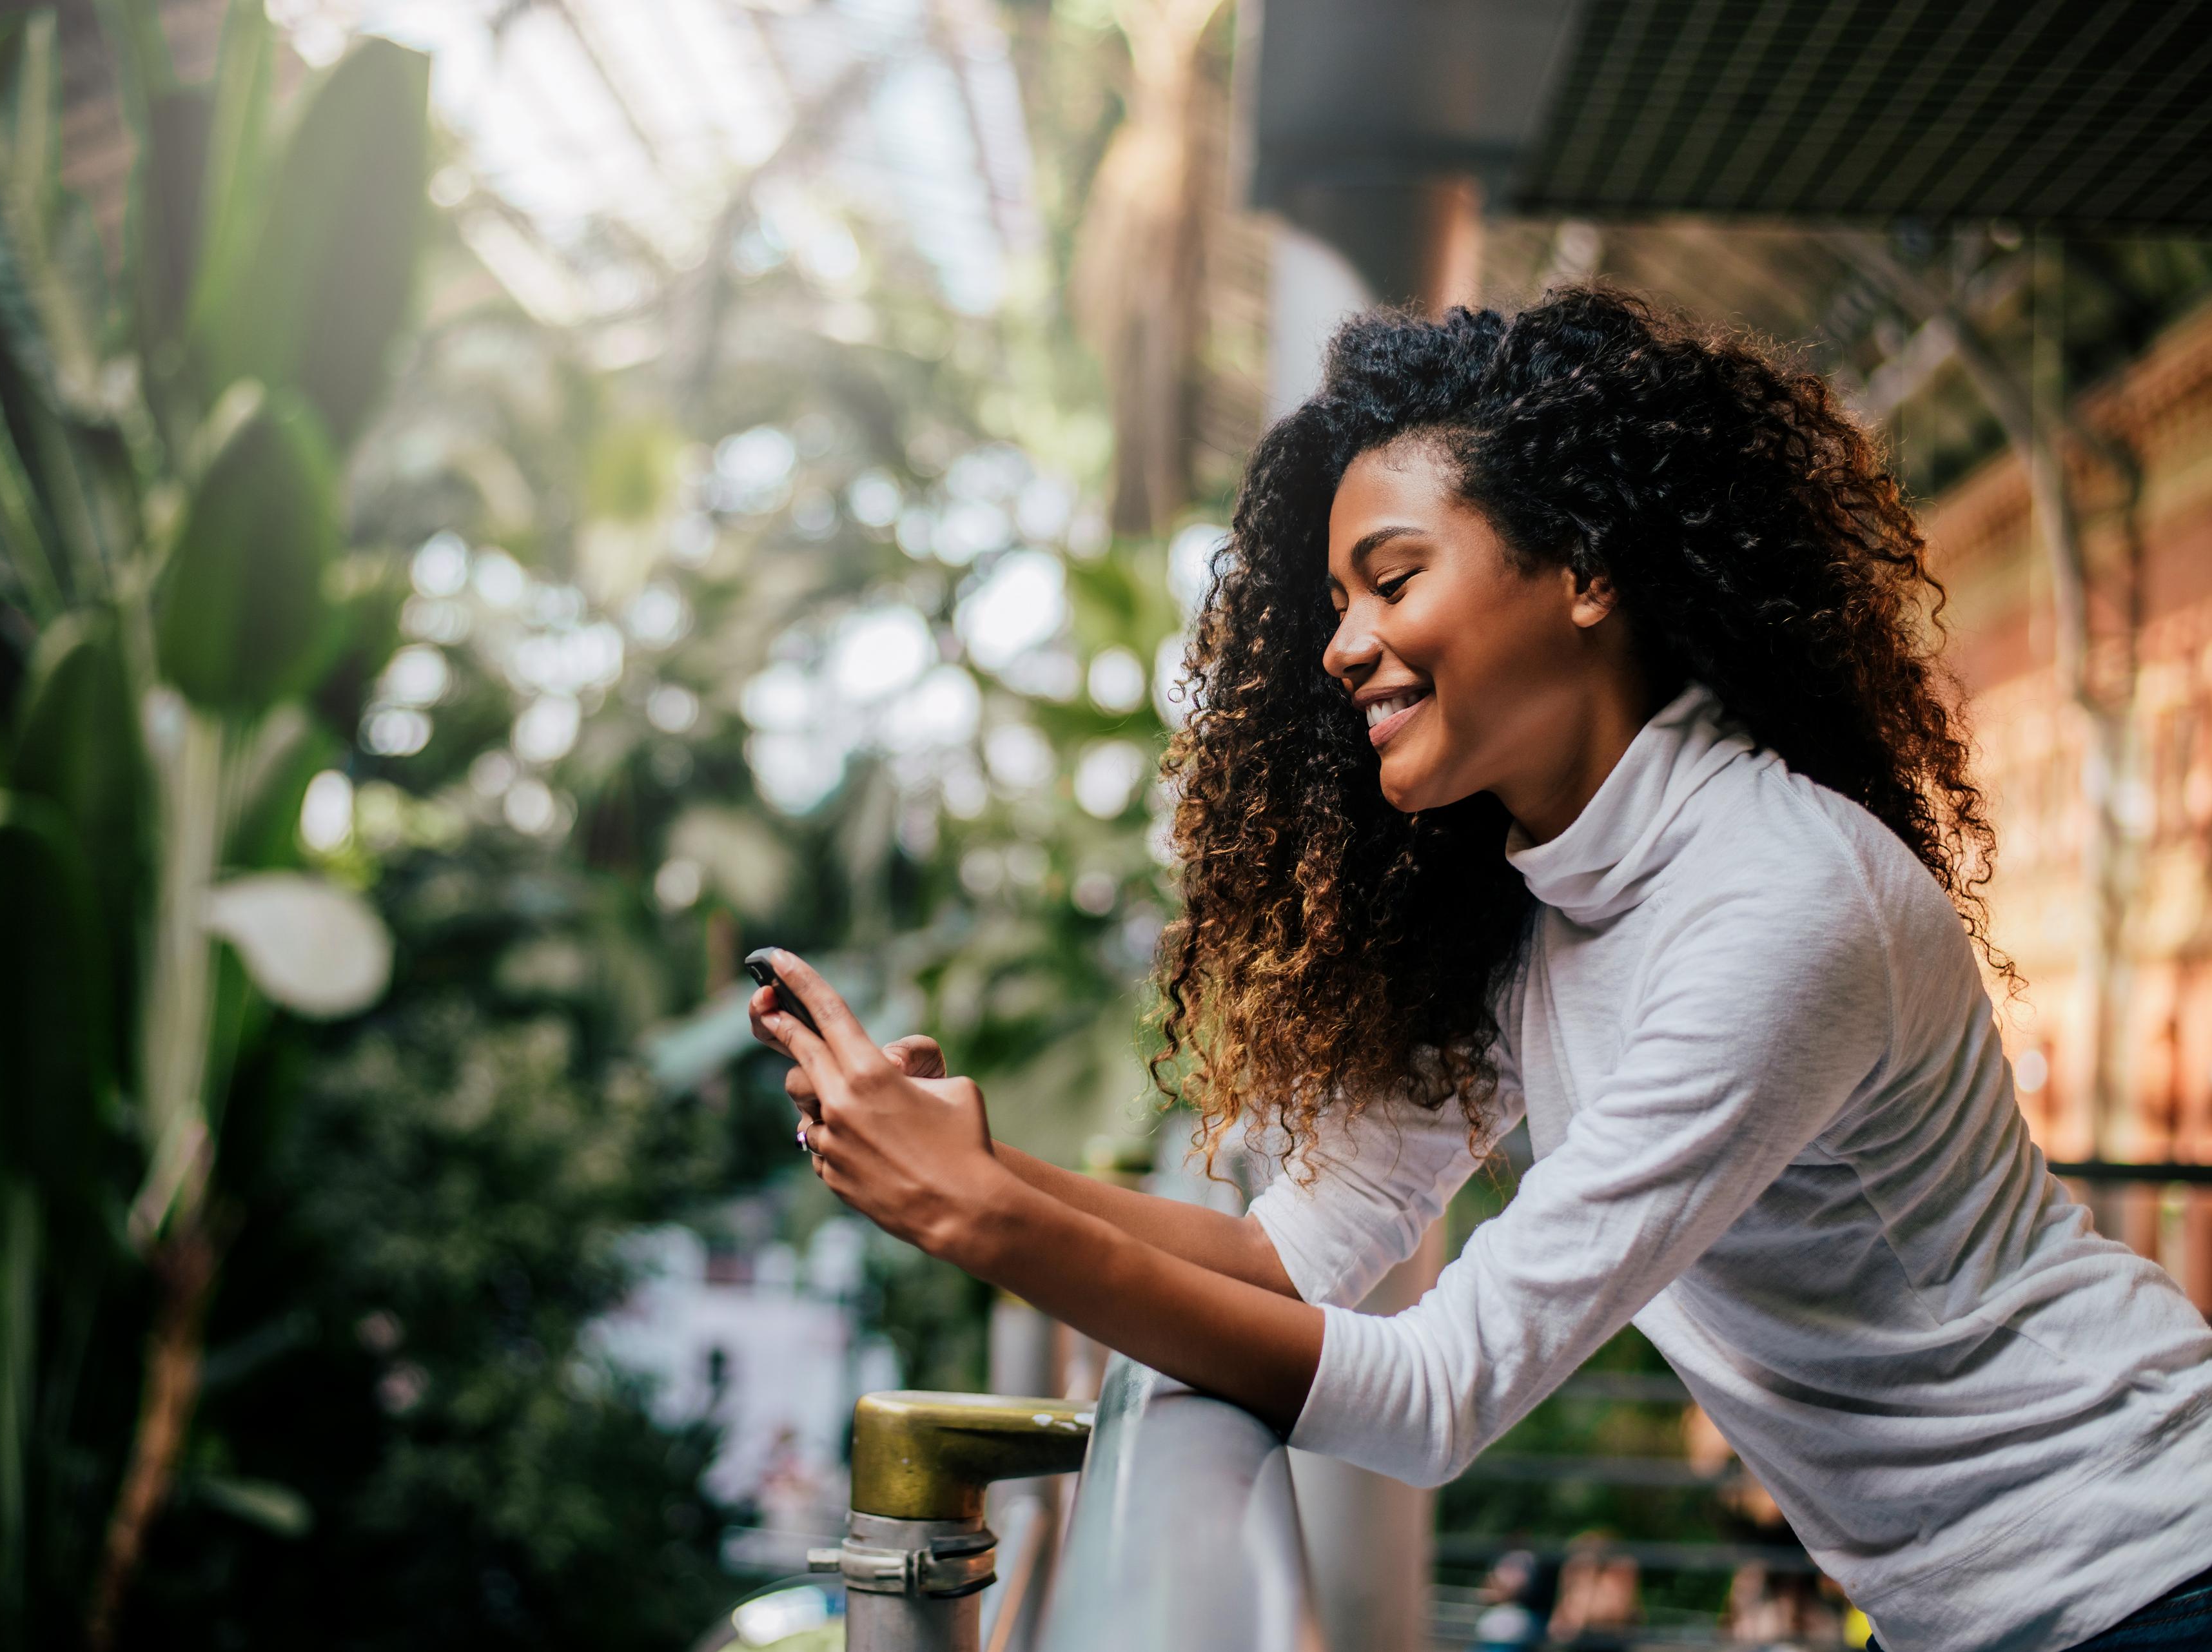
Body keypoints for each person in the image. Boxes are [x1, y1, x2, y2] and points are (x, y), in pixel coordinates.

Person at [749, 288, 2212, 1652]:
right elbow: (1285, 1256)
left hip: (2143, 1563)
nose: (1341, 645)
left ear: (1584, 566)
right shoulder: (1544, 900)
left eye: (1392, 578)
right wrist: (986, 1174)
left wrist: (993, 1221)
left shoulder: (1776, 901)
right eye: (1334, 600)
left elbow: (1441, 1389)